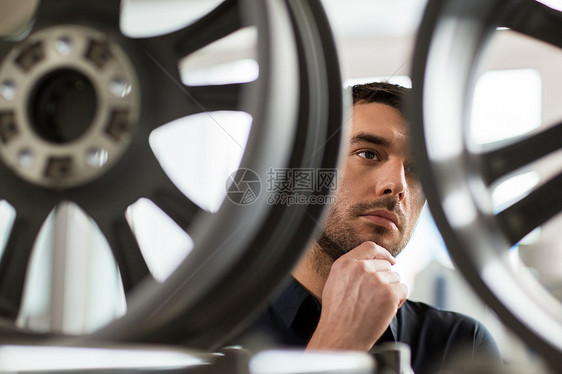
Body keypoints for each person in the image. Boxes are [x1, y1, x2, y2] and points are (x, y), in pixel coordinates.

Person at [229, 82, 501, 374]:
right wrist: (336, 349)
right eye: (368, 153)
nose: (396, 185)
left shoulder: (460, 346)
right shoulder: (211, 330)